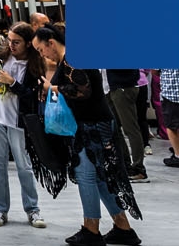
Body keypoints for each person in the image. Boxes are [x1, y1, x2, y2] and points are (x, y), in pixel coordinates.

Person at [35, 25, 140, 246]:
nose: (42, 54)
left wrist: (52, 89)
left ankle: (91, 228)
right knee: (99, 177)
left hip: (92, 126)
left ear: (51, 43)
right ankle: (122, 227)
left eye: (41, 49)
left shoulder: (72, 60)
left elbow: (82, 91)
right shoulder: (72, 59)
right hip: (93, 123)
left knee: (87, 177)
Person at [0, 23, 45, 229]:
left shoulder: (34, 66)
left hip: (18, 120)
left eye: (17, 42)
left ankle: (33, 209)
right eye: (9, 40)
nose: (11, 45)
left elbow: (33, 97)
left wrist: (13, 83)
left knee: (24, 166)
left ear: (28, 44)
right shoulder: (1, 55)